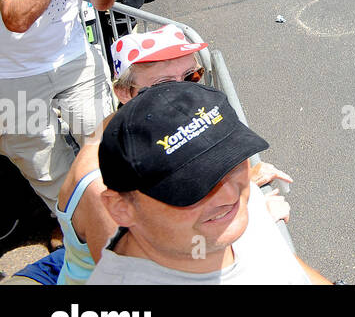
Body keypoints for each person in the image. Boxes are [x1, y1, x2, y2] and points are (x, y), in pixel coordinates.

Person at [49, 25, 292, 285]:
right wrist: (256, 222)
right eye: (163, 86)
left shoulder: (148, 132)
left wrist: (240, 185)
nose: (183, 96)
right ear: (122, 93)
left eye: (191, 77)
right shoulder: (104, 187)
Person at [91, 81, 329, 284]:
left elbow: (284, 264)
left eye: (231, 162)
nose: (228, 196)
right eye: (191, 186)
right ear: (121, 208)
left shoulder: (239, 205)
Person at [0, 0, 125, 214]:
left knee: (105, 143)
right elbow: (16, 20)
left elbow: (102, 3)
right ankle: (76, 227)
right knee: (44, 163)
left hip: (75, 61)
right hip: (14, 73)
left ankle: (119, 215)